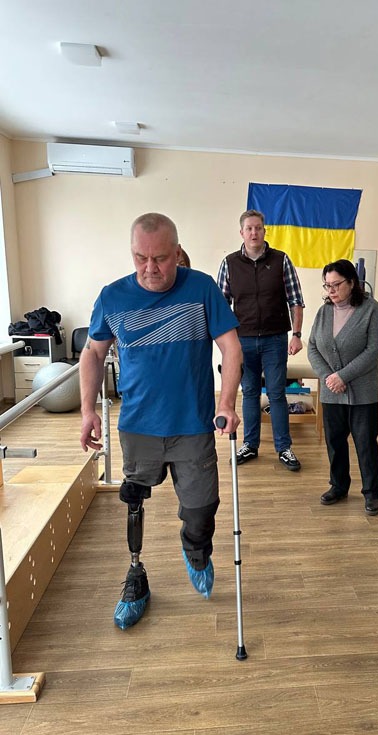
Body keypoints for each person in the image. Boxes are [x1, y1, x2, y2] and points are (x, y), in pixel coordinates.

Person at [79, 212, 242, 630]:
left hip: (193, 425)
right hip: (139, 426)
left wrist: (227, 402)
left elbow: (231, 348)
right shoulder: (113, 296)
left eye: (161, 259)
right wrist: (87, 410)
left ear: (177, 252)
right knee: (134, 501)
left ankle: (196, 548)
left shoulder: (201, 288)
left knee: (202, 507)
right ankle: (136, 573)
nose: (150, 268)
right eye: (141, 258)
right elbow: (93, 352)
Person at [217, 209, 305, 471]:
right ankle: (250, 445)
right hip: (242, 341)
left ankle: (284, 448)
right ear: (241, 232)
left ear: (265, 231)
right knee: (250, 393)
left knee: (277, 393)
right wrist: (226, 344)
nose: (254, 232)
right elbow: (221, 306)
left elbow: (296, 300)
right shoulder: (229, 263)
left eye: (258, 228)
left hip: (275, 339)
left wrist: (296, 334)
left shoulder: (281, 260)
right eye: (249, 228)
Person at [307, 259, 378, 515]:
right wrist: (328, 377)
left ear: (352, 282)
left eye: (336, 284)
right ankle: (339, 486)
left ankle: (372, 493)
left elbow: (373, 350)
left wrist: (343, 376)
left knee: (365, 442)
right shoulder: (324, 312)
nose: (331, 290)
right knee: (335, 441)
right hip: (331, 391)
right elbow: (312, 347)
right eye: (327, 285)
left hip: (362, 391)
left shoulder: (371, 309)